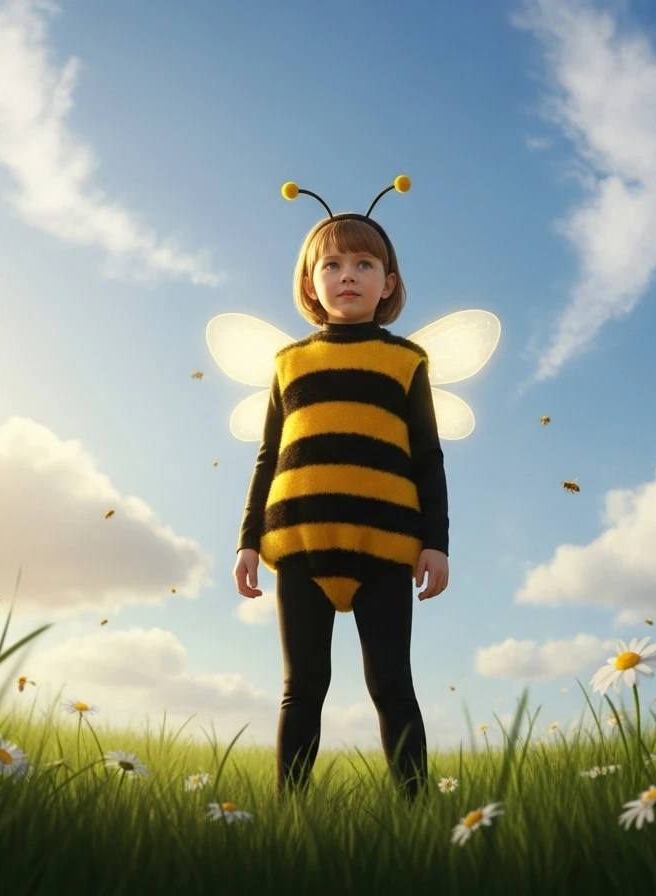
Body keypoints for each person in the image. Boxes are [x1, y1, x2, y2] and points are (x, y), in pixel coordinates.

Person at [232, 177, 449, 805]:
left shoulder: (407, 361)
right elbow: (268, 455)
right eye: (332, 263)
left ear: (388, 284)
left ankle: (417, 811)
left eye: (364, 263)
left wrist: (434, 544)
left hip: (385, 547)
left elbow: (428, 458)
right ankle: (288, 814)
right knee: (303, 688)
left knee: (392, 685)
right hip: (300, 546)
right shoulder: (287, 362)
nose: (347, 274)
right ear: (310, 282)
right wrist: (249, 542)